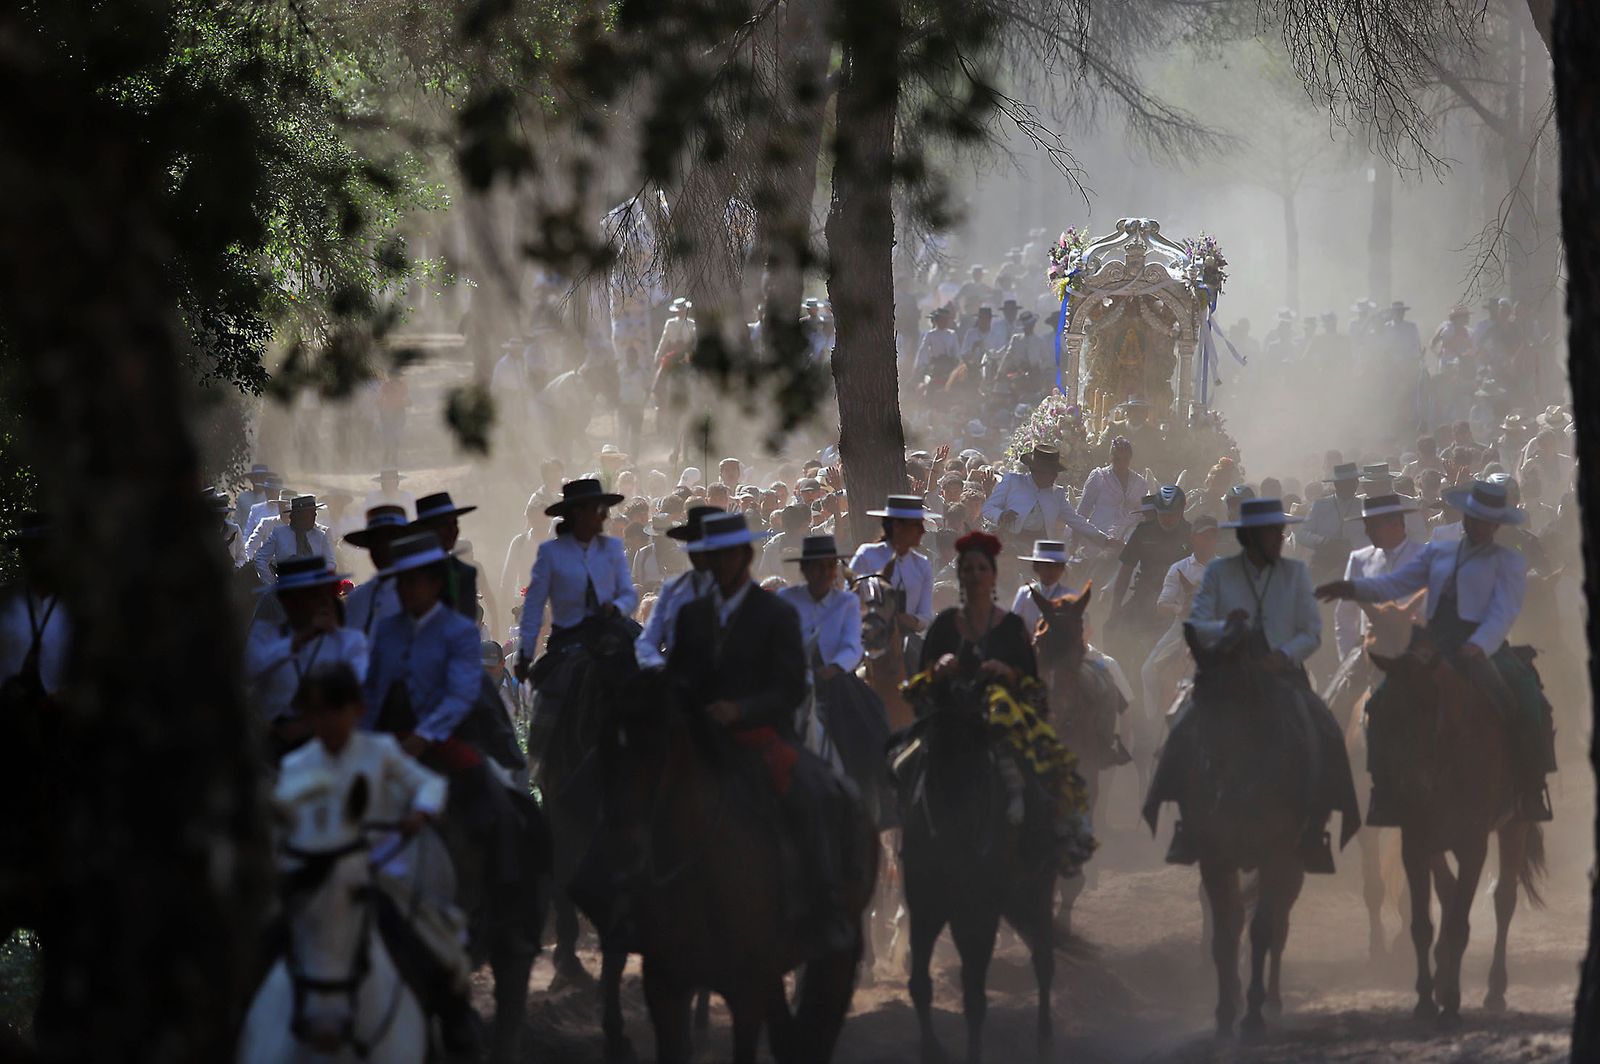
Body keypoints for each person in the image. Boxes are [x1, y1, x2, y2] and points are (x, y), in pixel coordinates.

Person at [666, 512, 857, 946]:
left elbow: (790, 687)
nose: (719, 563)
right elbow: (678, 678)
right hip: (702, 738)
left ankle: (825, 904)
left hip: (761, 735)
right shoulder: (691, 615)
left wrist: (742, 709)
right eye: (711, 555)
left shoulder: (775, 613)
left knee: (816, 794)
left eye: (727, 554)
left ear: (746, 555)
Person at [1316, 479, 1554, 822]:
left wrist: (1473, 643)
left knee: (1526, 697)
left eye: (1486, 521)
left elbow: (1502, 612)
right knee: (1350, 706)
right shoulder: (1433, 553)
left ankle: (1529, 786)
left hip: (1470, 646)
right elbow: (1375, 599)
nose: (1478, 526)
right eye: (1473, 519)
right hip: (1405, 647)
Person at [274, 661, 480, 1052]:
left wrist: (420, 810)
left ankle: (456, 1030)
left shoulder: (381, 752)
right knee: (261, 949)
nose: (330, 719)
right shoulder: (297, 766)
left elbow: (429, 786)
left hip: (380, 876)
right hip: (313, 884)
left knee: (443, 951)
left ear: (358, 710)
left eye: (338, 708)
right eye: (320, 711)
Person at [1165, 498, 1352, 871]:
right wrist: (1227, 632)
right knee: (1181, 721)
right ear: (1249, 536)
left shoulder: (1295, 574)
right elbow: (1197, 622)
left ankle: (1315, 826)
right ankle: (1186, 821)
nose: (1277, 540)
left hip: (1281, 671)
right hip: (1227, 668)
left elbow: (1311, 632)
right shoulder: (1219, 573)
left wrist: (1284, 654)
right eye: (1270, 533)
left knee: (1325, 726)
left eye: (1279, 533)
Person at [365, 531, 529, 950]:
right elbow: (375, 692)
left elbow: (459, 694)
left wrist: (423, 737)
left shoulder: (458, 631)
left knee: (503, 809)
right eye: (401, 582)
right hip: (394, 743)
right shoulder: (386, 632)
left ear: (435, 583)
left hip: (447, 738)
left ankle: (515, 913)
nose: (408, 589)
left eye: (416, 580)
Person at [911, 531, 1094, 872]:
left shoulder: (1048, 606)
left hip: (1042, 676)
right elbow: (923, 678)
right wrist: (940, 668)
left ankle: (1059, 824)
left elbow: (1025, 666)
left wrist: (1008, 669)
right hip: (969, 698)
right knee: (908, 757)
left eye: (983, 569)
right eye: (969, 569)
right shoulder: (948, 624)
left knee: (1036, 753)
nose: (976, 576)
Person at [515, 479, 638, 757]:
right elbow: (534, 605)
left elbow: (629, 595)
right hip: (568, 638)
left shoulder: (612, 549)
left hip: (613, 630)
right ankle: (544, 761)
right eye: (599, 510)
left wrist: (616, 607)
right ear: (579, 513)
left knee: (648, 673)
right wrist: (524, 654)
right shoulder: (551, 553)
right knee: (550, 691)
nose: (605, 516)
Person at [244, 556, 368, 757]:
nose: (314, 602)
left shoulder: (349, 641)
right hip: (274, 744)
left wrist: (310, 725)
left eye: (317, 594)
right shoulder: (265, 636)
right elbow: (248, 669)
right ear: (284, 600)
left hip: (333, 742)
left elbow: (357, 688)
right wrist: (297, 640)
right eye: (298, 597)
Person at [1140, 515, 1220, 726]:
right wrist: (1179, 608)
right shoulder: (1179, 568)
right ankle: (1154, 722)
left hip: (1215, 629)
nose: (1208, 541)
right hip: (1181, 628)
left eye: (1212, 536)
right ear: (1193, 538)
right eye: (1204, 536)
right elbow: (1162, 604)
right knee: (1147, 671)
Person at [1332, 494, 1427, 662]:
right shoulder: (1359, 560)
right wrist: (1347, 657)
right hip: (1372, 651)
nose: (1367, 532)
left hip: (1420, 650)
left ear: (1396, 524)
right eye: (1367, 526)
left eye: (1373, 526)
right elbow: (1345, 614)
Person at [635, 505, 722, 668]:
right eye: (692, 542)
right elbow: (647, 641)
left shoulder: (744, 592)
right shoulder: (672, 590)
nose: (698, 552)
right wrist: (659, 667)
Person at [982, 445, 1115, 550]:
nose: (1054, 477)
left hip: (1040, 546)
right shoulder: (1013, 481)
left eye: (1055, 473)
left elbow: (1077, 521)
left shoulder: (1057, 494)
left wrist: (1105, 540)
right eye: (1050, 473)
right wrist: (1001, 515)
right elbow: (988, 508)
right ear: (1037, 471)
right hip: (1010, 541)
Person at [0, 513, 70, 700]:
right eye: (31, 549)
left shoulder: (75, 608)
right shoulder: (5, 603)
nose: (38, 556)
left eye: (44, 548)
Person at [411, 492, 485, 625]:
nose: (453, 530)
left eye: (455, 523)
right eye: (444, 525)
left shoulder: (465, 573)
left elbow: (467, 629)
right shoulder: (408, 573)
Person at [1297, 463, 1366, 582]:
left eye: (1352, 482)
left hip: (1356, 565)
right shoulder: (1320, 506)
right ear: (1336, 484)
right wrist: (1324, 541)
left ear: (1356, 483)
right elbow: (1301, 534)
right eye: (1345, 483)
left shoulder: (1364, 506)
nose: (1350, 486)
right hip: (1325, 564)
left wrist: (1355, 546)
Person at [1077, 436, 1148, 544]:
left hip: (1128, 540)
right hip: (1100, 537)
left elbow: (1143, 514)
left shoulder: (1140, 483)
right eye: (1117, 459)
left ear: (1130, 459)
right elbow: (1083, 511)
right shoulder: (1099, 477)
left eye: (1125, 459)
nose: (1121, 463)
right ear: (1110, 457)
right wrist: (1075, 539)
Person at [252, 495, 335, 582]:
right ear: (298, 516)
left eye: (314, 512)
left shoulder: (321, 536)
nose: (315, 515)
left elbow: (330, 562)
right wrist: (272, 582)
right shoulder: (279, 534)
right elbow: (260, 559)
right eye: (310, 513)